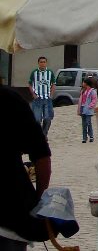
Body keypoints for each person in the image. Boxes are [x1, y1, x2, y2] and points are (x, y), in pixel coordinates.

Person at [0, 83, 53, 241]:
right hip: (11, 213)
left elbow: (41, 155)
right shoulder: (9, 99)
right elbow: (42, 157)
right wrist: (38, 201)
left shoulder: (9, 99)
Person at [28, 56, 55, 139]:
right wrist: (33, 94)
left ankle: (44, 134)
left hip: (47, 99)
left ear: (46, 63)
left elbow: (53, 84)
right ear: (38, 63)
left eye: (44, 62)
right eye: (41, 62)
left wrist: (51, 95)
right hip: (37, 99)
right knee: (37, 119)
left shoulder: (50, 72)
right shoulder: (34, 73)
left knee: (48, 118)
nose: (42, 63)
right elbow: (29, 83)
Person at [79, 76, 98, 144]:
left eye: (83, 82)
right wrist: (79, 109)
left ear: (86, 83)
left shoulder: (92, 91)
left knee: (88, 123)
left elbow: (94, 100)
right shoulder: (83, 91)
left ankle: (91, 136)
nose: (82, 83)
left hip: (88, 109)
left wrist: (90, 106)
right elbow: (80, 100)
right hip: (82, 108)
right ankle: (84, 138)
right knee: (84, 124)